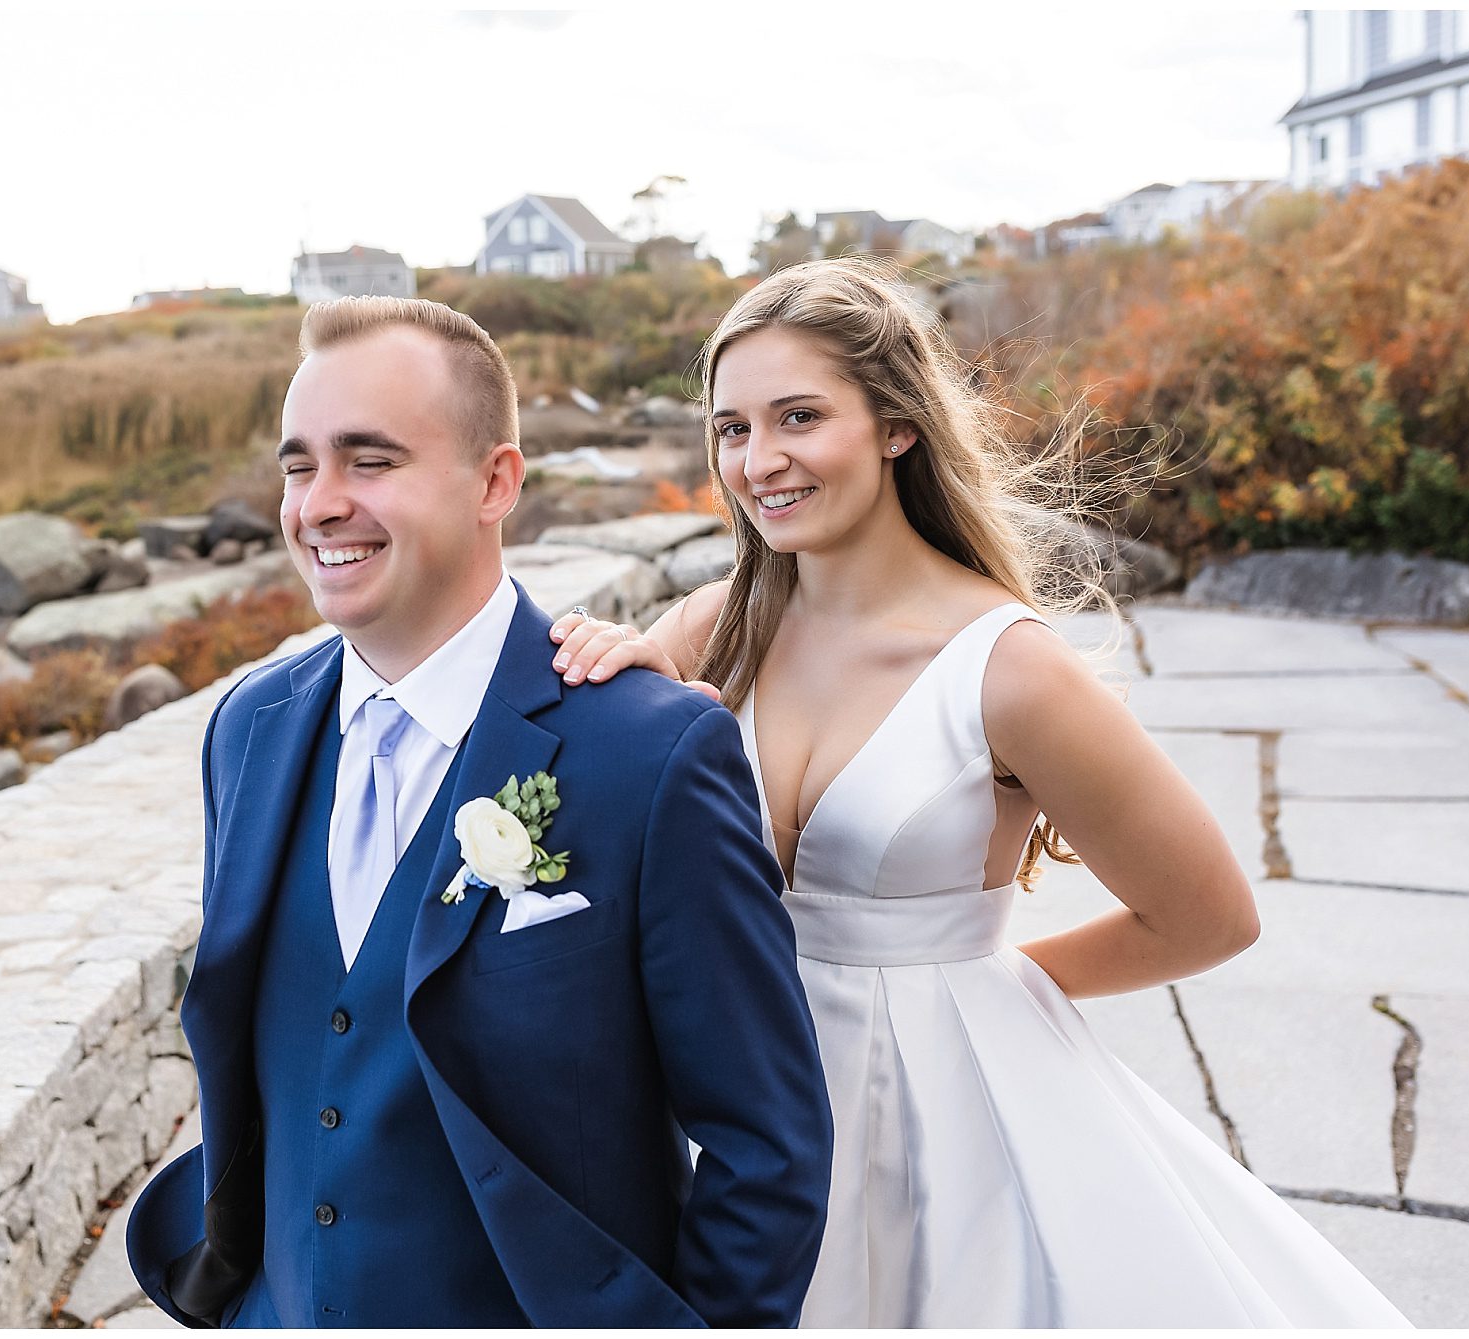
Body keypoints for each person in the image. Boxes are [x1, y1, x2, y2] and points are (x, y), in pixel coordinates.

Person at [549, 256, 1411, 1328]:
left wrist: (983, 992)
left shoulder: (1008, 669)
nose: (757, 460)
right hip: (732, 1101)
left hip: (945, 1112)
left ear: (895, 425)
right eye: (730, 429)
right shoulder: (710, 630)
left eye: (799, 417)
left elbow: (1208, 915)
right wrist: (590, 673)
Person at [124, 295, 834, 1328]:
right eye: (296, 465)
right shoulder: (249, 729)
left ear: (495, 480)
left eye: (369, 462)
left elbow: (765, 1143)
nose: (318, 503)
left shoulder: (648, 752)